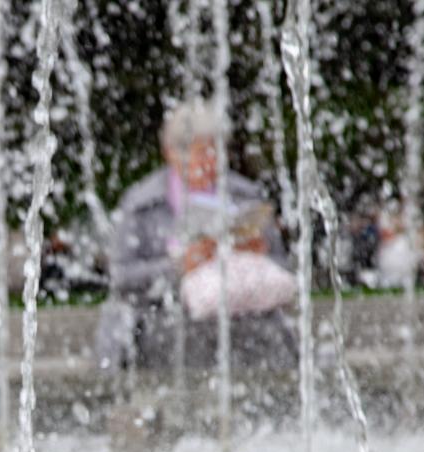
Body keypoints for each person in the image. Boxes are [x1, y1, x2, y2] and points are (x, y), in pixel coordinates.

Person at [96, 99, 297, 372]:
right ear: (171, 153)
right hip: (166, 324)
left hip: (244, 324)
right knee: (181, 336)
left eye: (216, 150)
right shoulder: (142, 204)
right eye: (200, 152)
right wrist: (180, 267)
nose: (209, 161)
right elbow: (121, 278)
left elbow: (284, 268)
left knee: (265, 337)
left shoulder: (247, 197)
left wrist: (258, 253)